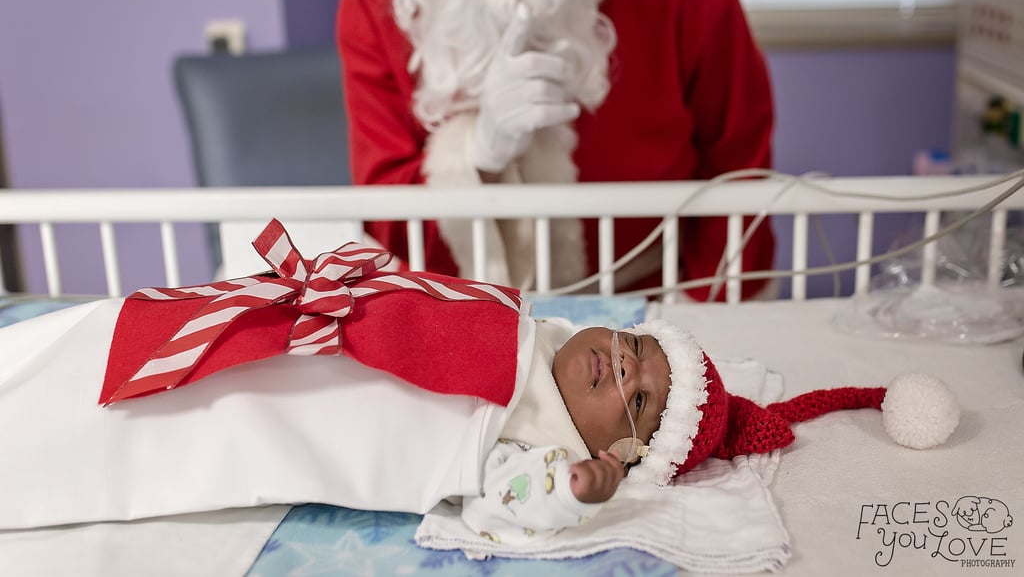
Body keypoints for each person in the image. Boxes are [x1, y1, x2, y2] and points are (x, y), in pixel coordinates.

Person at [0, 220, 952, 544]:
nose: (625, 366)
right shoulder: (521, 326)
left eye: (642, 401)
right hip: (271, 325)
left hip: (255, 411)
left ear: (618, 450)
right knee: (97, 339)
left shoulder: (531, 448)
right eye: (639, 351)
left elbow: (512, 502)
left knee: (98, 431)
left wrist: (574, 493)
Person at [336, 0, 777, 299]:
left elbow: (739, 162)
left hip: (653, 295)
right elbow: (387, 215)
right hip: (457, 305)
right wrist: (474, 158)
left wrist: (706, 310)